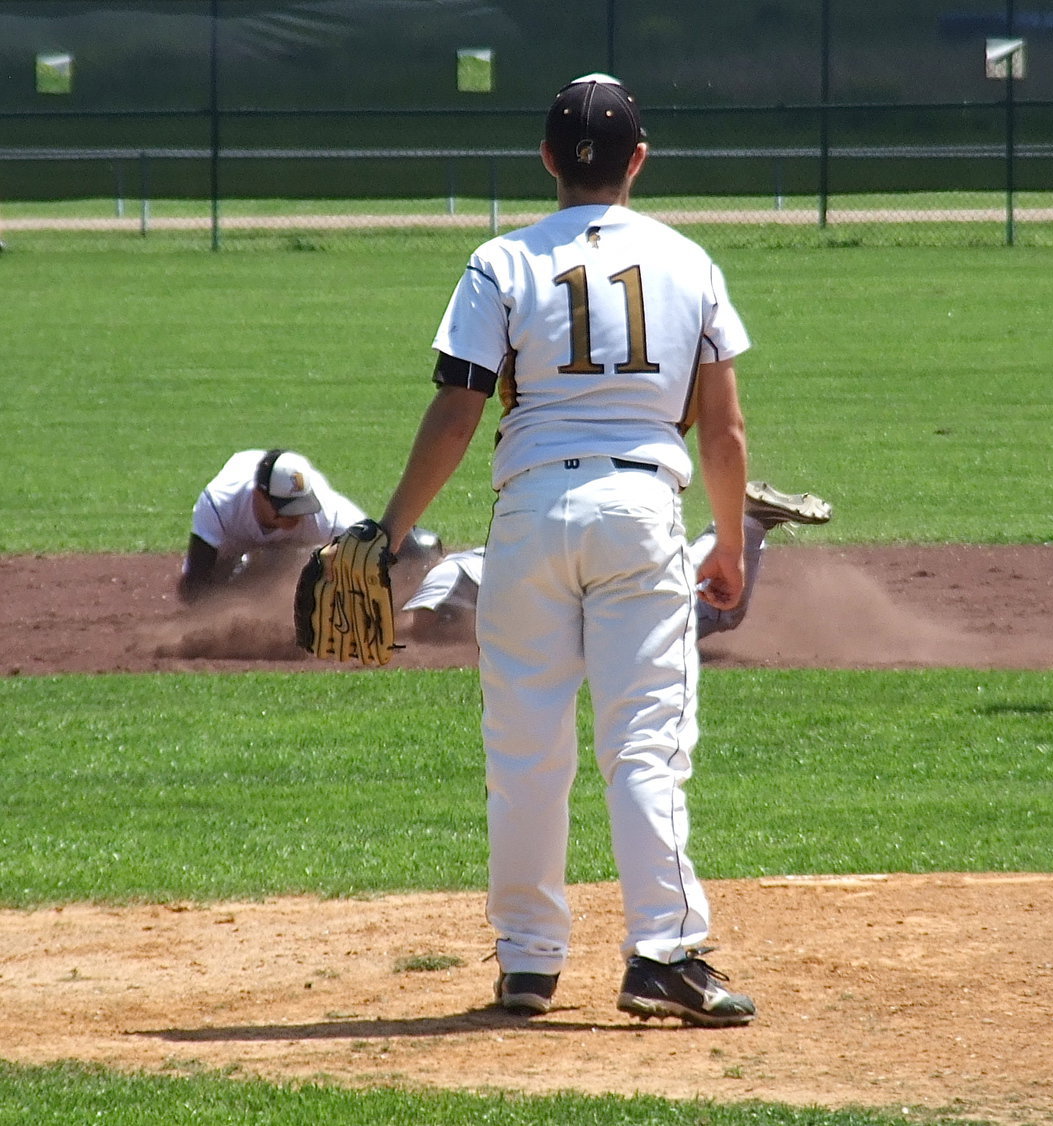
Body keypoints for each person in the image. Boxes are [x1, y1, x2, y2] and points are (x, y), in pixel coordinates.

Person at [375, 73, 757, 1025]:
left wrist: (388, 533)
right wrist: (733, 543)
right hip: (639, 508)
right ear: (639, 160)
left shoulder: (498, 262)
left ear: (546, 158)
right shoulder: (690, 263)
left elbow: (459, 411)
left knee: (524, 750)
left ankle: (529, 963)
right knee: (646, 747)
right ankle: (663, 954)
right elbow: (724, 430)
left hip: (529, 513)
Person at [400, 481, 830, 645]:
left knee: (674, 614)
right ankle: (747, 525)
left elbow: (419, 625)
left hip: (572, 596)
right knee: (701, 613)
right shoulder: (463, 565)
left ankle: (744, 522)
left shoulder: (445, 572)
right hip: (573, 573)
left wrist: (382, 633)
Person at [177, 448, 366, 602]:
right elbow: (195, 585)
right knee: (200, 592)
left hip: (291, 548)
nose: (296, 516)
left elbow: (375, 544)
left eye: (301, 506)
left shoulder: (325, 511)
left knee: (290, 570)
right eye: (286, 507)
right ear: (259, 495)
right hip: (234, 537)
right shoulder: (219, 505)